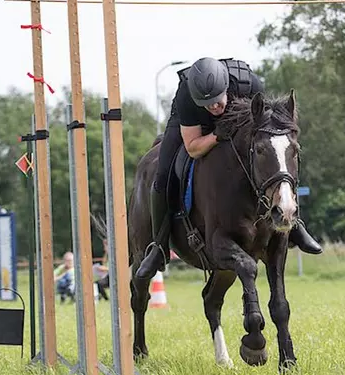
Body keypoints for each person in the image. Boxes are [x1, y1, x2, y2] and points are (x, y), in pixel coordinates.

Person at [135, 57, 322, 280]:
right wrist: (216, 135)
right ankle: (158, 246)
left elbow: (268, 132)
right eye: (207, 104)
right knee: (163, 173)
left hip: (240, 124)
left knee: (277, 158)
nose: (214, 107)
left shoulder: (250, 84)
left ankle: (296, 226)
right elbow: (193, 148)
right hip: (194, 129)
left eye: (217, 100)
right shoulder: (186, 97)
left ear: (227, 88)